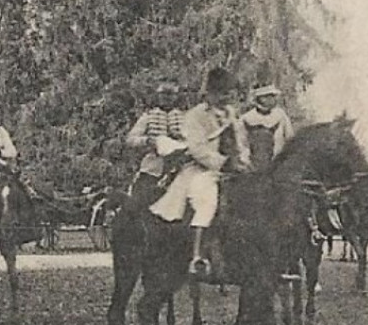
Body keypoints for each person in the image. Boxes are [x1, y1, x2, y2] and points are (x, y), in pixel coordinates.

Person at [148, 67, 250, 276]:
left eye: (229, 91)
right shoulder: (195, 116)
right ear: (210, 93)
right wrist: (224, 163)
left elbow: (242, 142)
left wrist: (244, 162)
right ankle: (198, 256)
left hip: (235, 171)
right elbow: (197, 149)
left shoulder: (232, 114)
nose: (226, 96)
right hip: (202, 170)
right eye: (222, 92)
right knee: (207, 202)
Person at [124, 79, 188, 196]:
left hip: (181, 166)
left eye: (171, 94)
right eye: (164, 94)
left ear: (176, 97)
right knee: (139, 198)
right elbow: (130, 139)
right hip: (153, 166)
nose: (167, 98)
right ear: (158, 96)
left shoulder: (185, 117)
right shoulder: (149, 116)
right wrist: (147, 140)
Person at [240, 85, 294, 171]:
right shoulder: (247, 118)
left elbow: (290, 138)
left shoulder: (280, 115)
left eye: (273, 96)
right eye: (270, 96)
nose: (273, 99)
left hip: (278, 166)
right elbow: (242, 144)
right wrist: (247, 163)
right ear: (261, 98)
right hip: (253, 167)